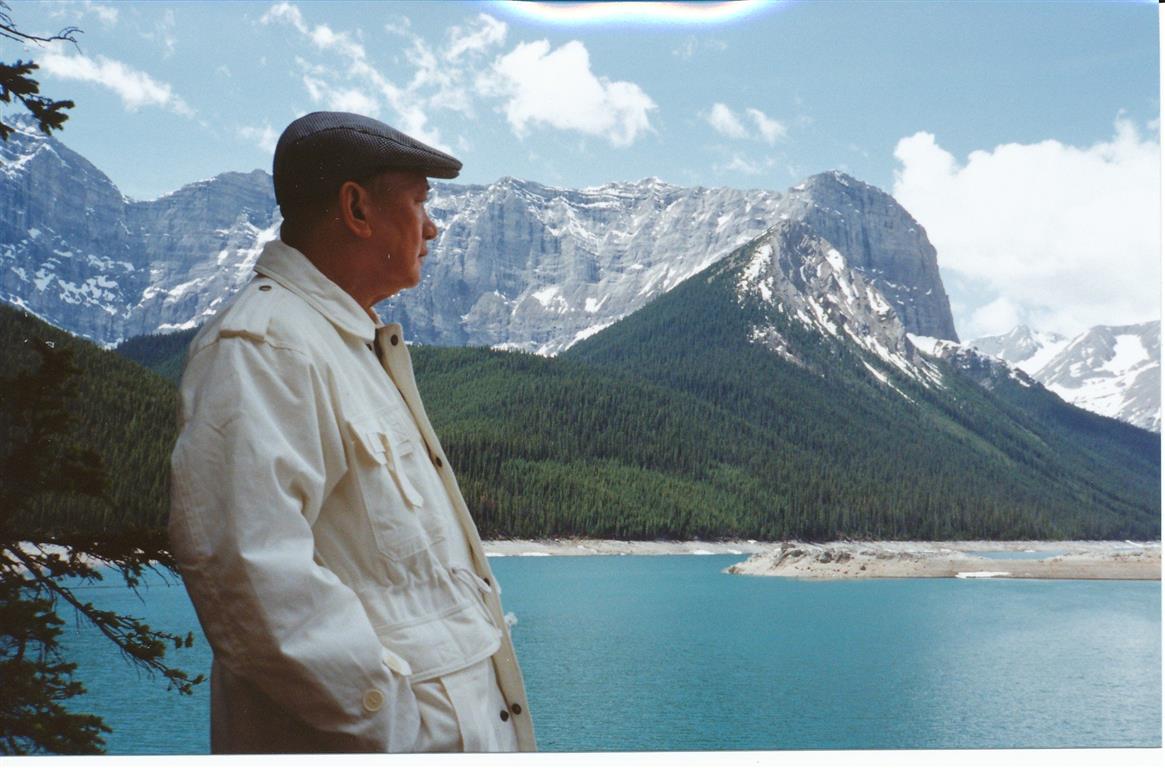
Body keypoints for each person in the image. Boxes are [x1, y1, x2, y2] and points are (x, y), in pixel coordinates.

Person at [168, 112, 535, 753]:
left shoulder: (342, 342)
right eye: (419, 202)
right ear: (357, 208)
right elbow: (249, 579)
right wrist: (397, 731)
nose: (433, 227)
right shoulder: (266, 347)